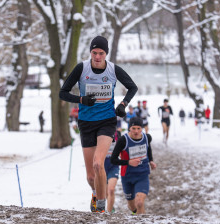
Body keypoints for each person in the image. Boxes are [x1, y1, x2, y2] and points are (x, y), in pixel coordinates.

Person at [59, 36, 138, 213]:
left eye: (101, 53)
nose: (97, 56)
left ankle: (101, 207)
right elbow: (62, 93)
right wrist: (81, 99)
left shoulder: (113, 70)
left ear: (106, 54)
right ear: (90, 53)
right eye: (94, 53)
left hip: (107, 121)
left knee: (98, 163)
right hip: (86, 123)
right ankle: (96, 193)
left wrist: (123, 104)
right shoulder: (82, 68)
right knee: (90, 176)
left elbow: (133, 87)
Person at [111, 117, 156, 214]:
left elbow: (148, 149)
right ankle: (135, 214)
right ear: (129, 128)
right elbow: (113, 160)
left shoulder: (147, 138)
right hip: (127, 176)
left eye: (139, 128)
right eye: (133, 128)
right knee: (132, 206)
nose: (136, 131)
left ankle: (141, 221)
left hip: (142, 175)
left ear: (142, 128)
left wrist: (151, 160)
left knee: (139, 202)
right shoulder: (123, 140)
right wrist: (128, 162)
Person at [104, 130, 121, 213]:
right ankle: (110, 205)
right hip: (102, 166)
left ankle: (109, 213)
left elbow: (122, 149)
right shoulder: (98, 132)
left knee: (111, 189)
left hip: (113, 165)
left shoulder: (117, 134)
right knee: (105, 192)